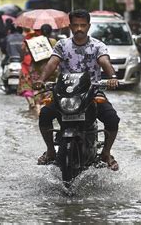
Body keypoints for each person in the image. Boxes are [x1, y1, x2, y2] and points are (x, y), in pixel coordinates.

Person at [33, 9, 120, 171]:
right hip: (65, 93)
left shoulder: (97, 46)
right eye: (76, 25)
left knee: (112, 118)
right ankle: (51, 151)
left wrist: (112, 77)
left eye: (83, 25)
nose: (79, 28)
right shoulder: (62, 45)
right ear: (70, 26)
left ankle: (106, 153)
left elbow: (104, 61)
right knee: (44, 114)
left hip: (92, 92)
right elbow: (52, 63)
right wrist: (41, 80)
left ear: (88, 26)